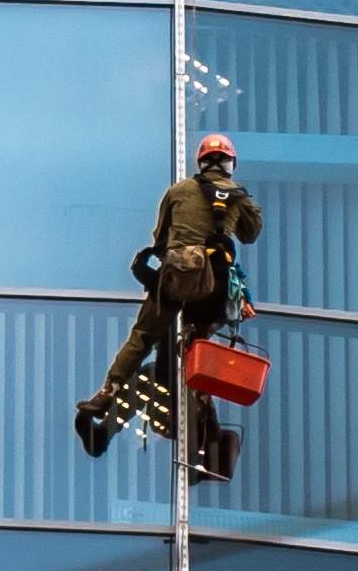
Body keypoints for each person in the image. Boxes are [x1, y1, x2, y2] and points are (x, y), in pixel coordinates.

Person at [76, 133, 263, 456]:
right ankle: (204, 433)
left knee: (142, 336)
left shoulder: (178, 191)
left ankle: (106, 393)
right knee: (197, 352)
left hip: (176, 278)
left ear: (201, 162)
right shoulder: (238, 196)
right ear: (230, 164)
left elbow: (161, 238)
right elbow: (251, 233)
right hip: (214, 289)